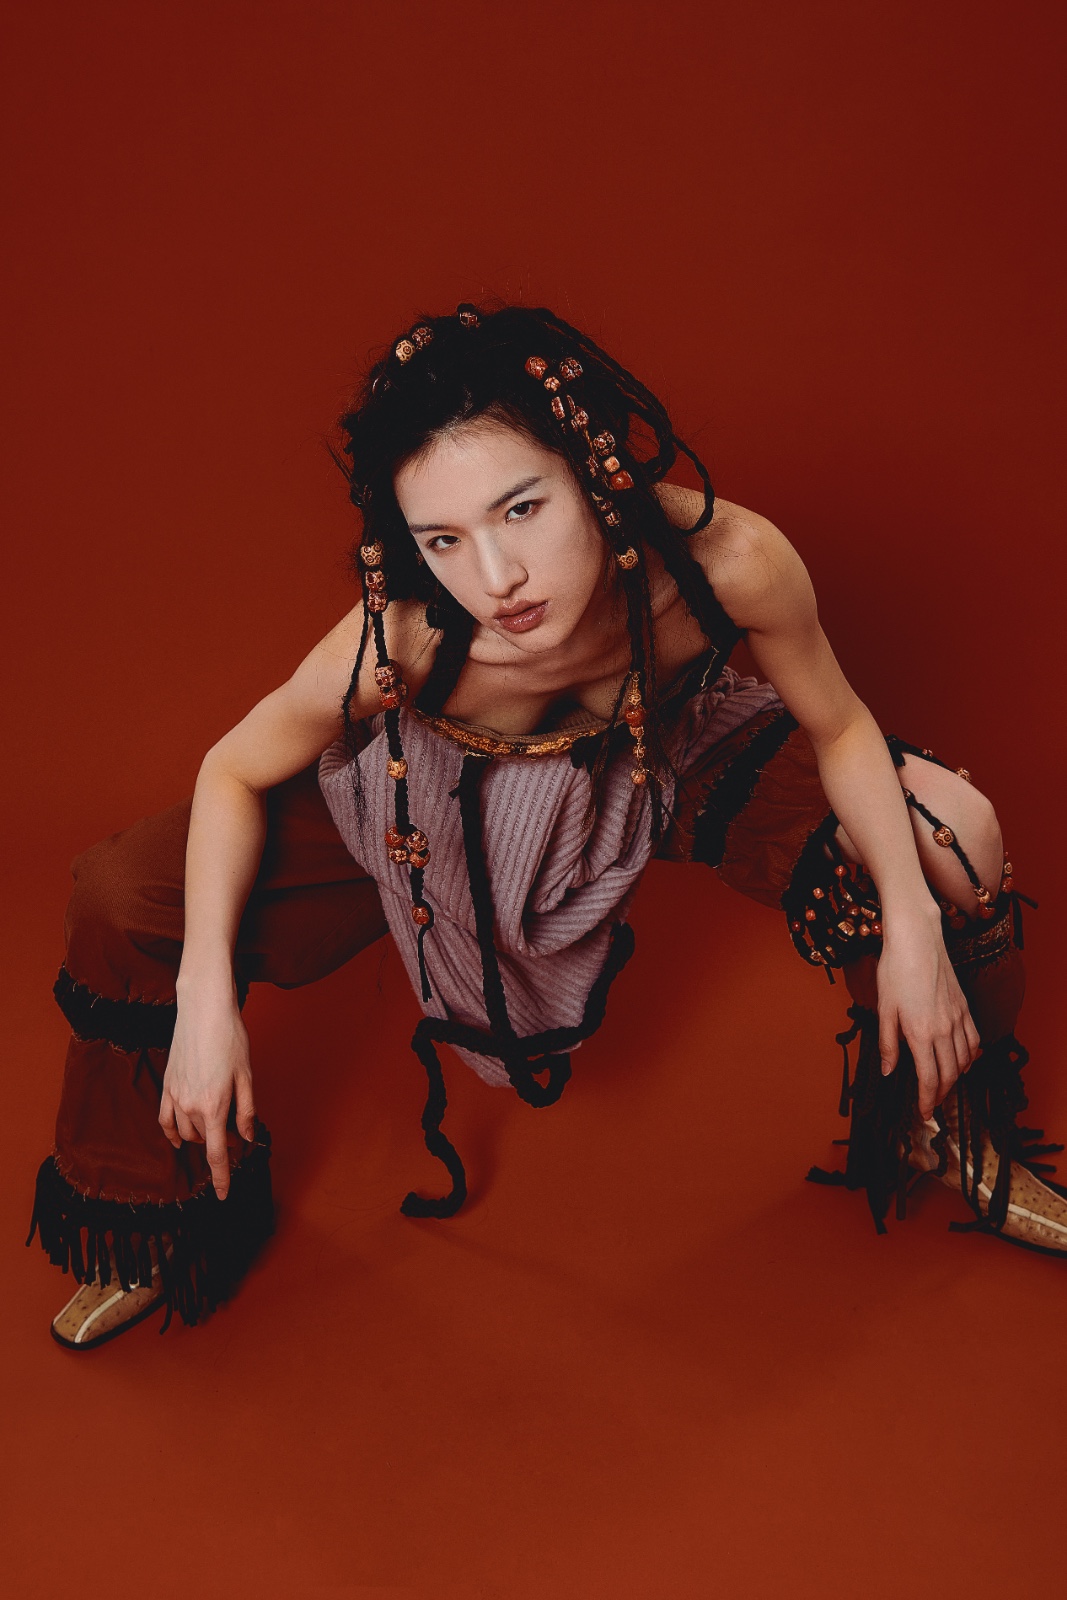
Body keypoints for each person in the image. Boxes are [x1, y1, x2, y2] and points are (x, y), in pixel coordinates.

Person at [29, 302, 1067, 1351]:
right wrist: (205, 1000)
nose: (496, 580)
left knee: (952, 832)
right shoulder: (403, 638)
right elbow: (232, 768)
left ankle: (941, 1121)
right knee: (125, 896)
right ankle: (160, 1218)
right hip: (438, 799)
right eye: (443, 539)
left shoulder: (727, 561)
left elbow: (838, 726)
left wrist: (911, 929)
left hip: (657, 750)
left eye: (521, 508)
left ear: (596, 474)